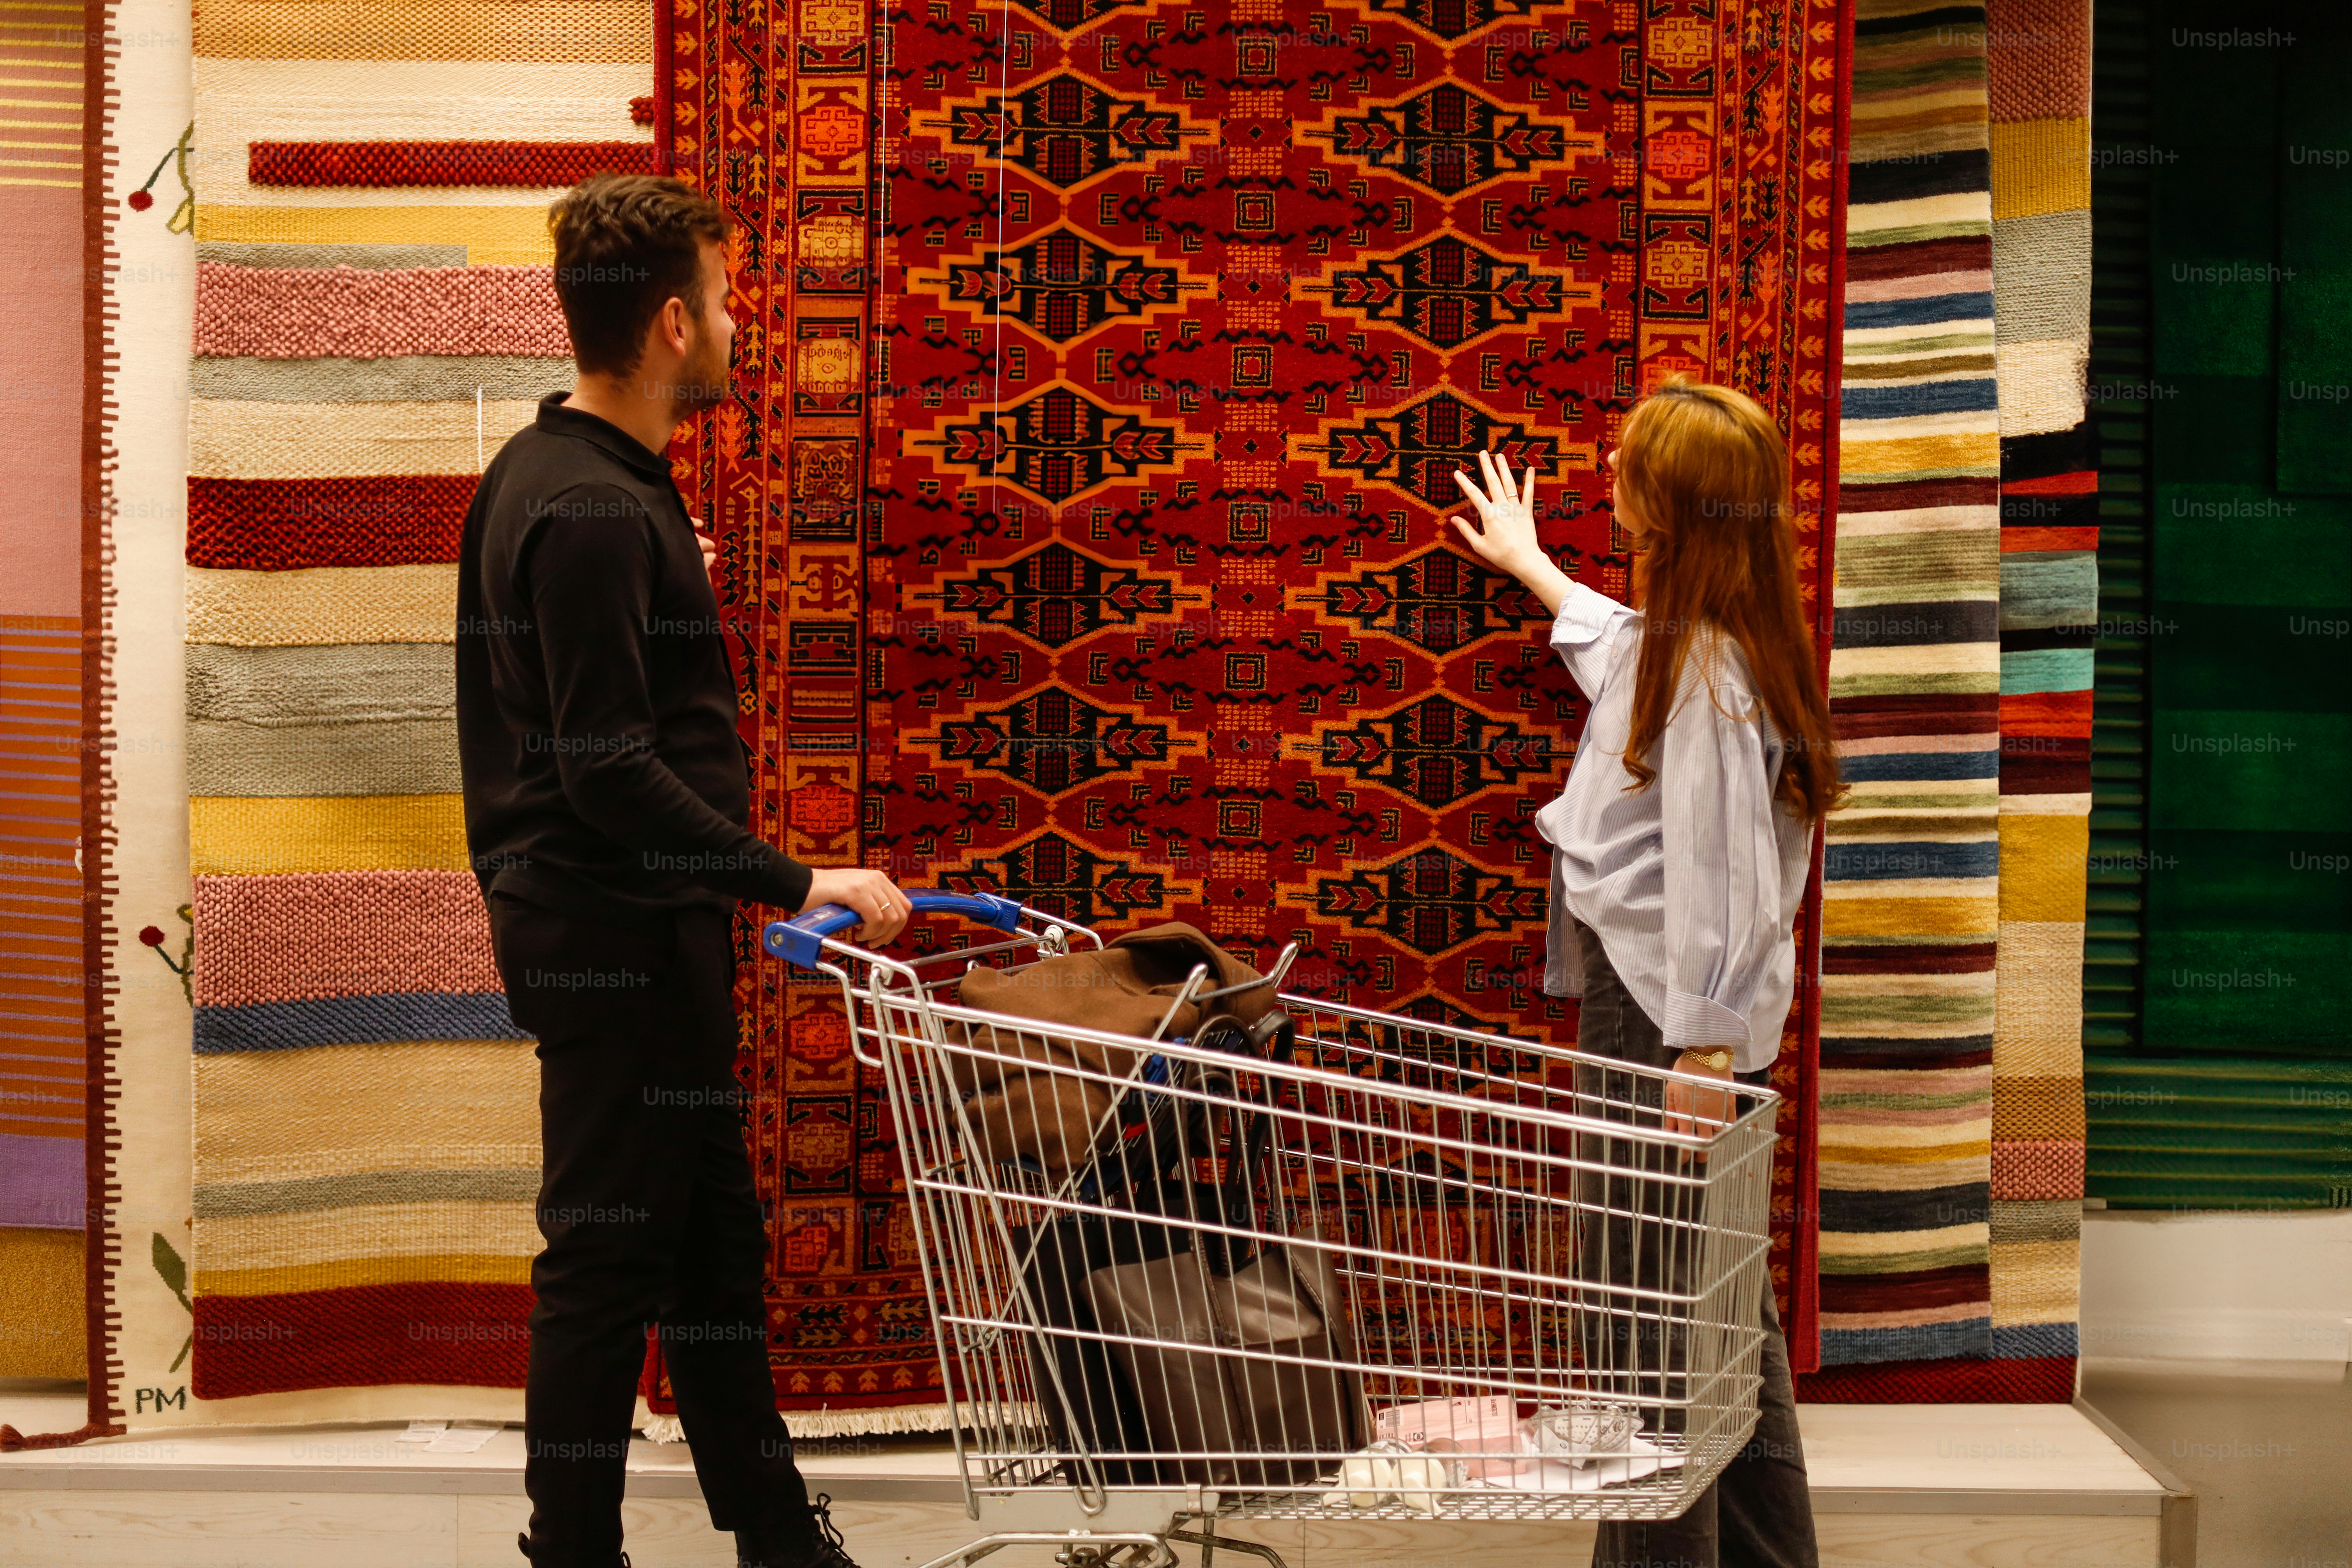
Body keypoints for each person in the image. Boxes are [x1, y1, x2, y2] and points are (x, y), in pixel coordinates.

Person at [456, 172, 910, 1568]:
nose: (736, 323)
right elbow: (603, 767)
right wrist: (795, 879)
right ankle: (573, 1554)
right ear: (668, 324)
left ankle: (775, 1533)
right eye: (721, 301)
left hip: (639, 930)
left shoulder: (578, 485)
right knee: (604, 1262)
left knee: (712, 1248)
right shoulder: (588, 509)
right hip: (614, 934)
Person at [1444, 378, 1838, 1568]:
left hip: (1662, 1026)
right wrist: (1538, 572)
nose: (1608, 477)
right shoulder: (1700, 647)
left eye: (1625, 466)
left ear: (1663, 506)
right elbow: (1623, 659)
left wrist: (1707, 1047)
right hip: (1670, 1019)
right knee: (1720, 1321)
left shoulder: (1709, 673)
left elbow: (1731, 879)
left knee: (1644, 1326)